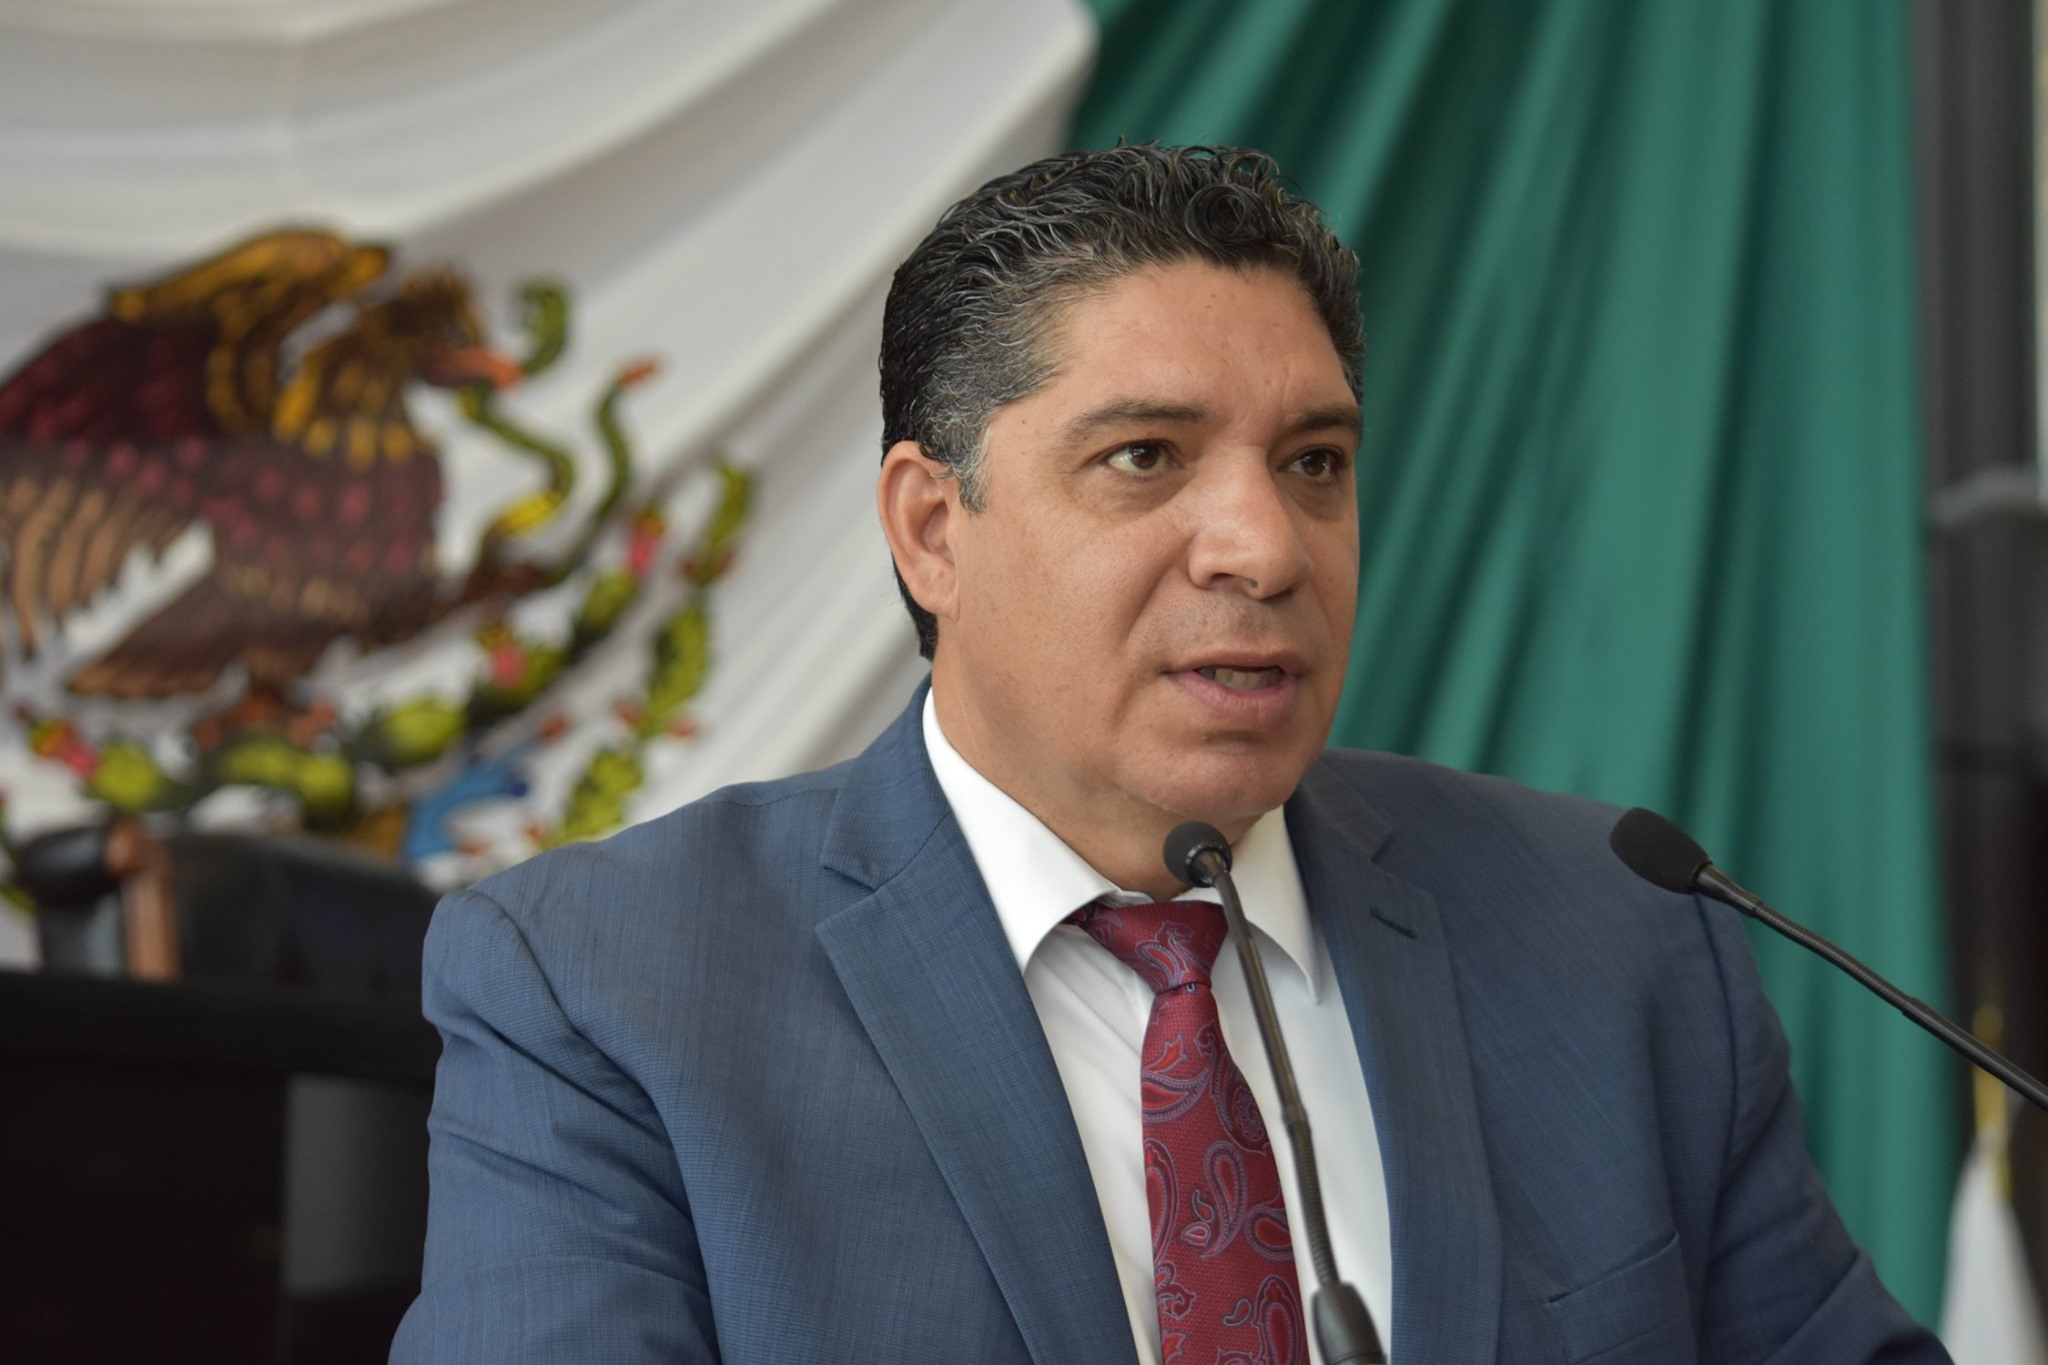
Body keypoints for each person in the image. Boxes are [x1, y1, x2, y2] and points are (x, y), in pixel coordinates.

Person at [390, 145, 1946, 1364]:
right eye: (1145, 457)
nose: (1265, 546)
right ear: (933, 529)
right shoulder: (608, 990)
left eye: (1315, 462)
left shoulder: (1619, 937)